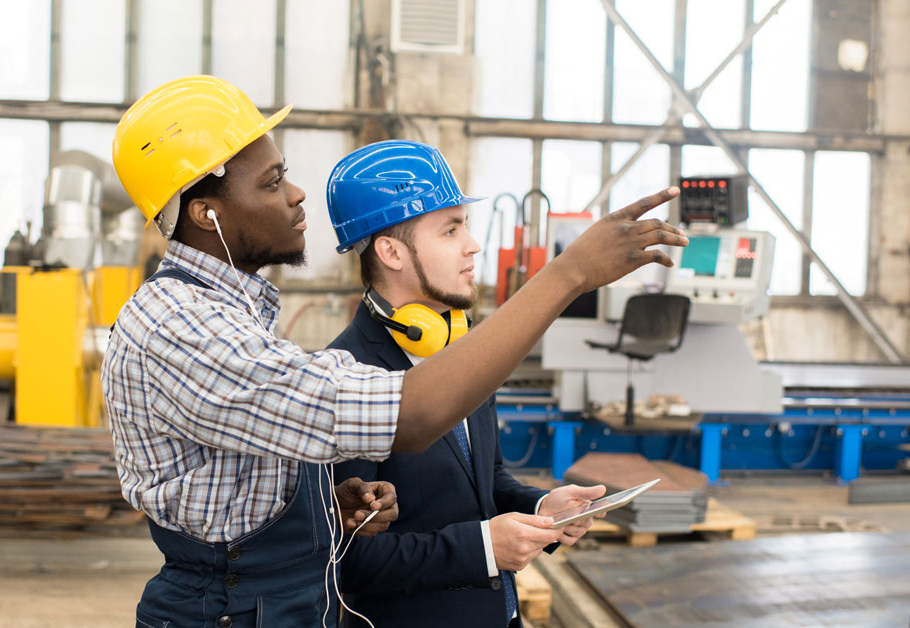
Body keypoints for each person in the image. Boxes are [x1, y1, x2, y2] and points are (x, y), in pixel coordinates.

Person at [103, 75, 687, 628]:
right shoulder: (183, 327)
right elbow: (408, 416)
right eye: (272, 182)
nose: (295, 193)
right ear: (209, 213)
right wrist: (568, 275)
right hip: (232, 610)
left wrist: (328, 505)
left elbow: (237, 484)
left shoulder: (241, 320)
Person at [327, 140, 607, 628]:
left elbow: (488, 479)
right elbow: (350, 562)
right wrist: (482, 548)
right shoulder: (345, 375)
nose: (472, 245)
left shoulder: (464, 351)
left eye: (466, 226)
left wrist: (542, 506)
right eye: (450, 229)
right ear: (391, 251)